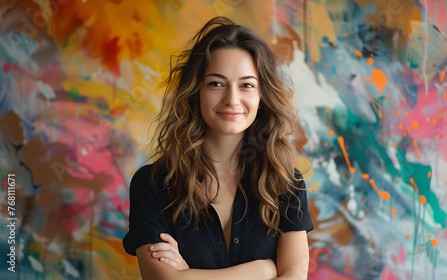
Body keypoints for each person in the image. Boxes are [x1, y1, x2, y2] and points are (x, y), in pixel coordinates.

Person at [122, 16, 313, 280]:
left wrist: (190, 275)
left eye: (247, 85)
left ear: (262, 96)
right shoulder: (153, 184)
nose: (232, 99)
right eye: (216, 83)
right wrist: (263, 270)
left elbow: (294, 275)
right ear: (195, 90)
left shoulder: (287, 185)